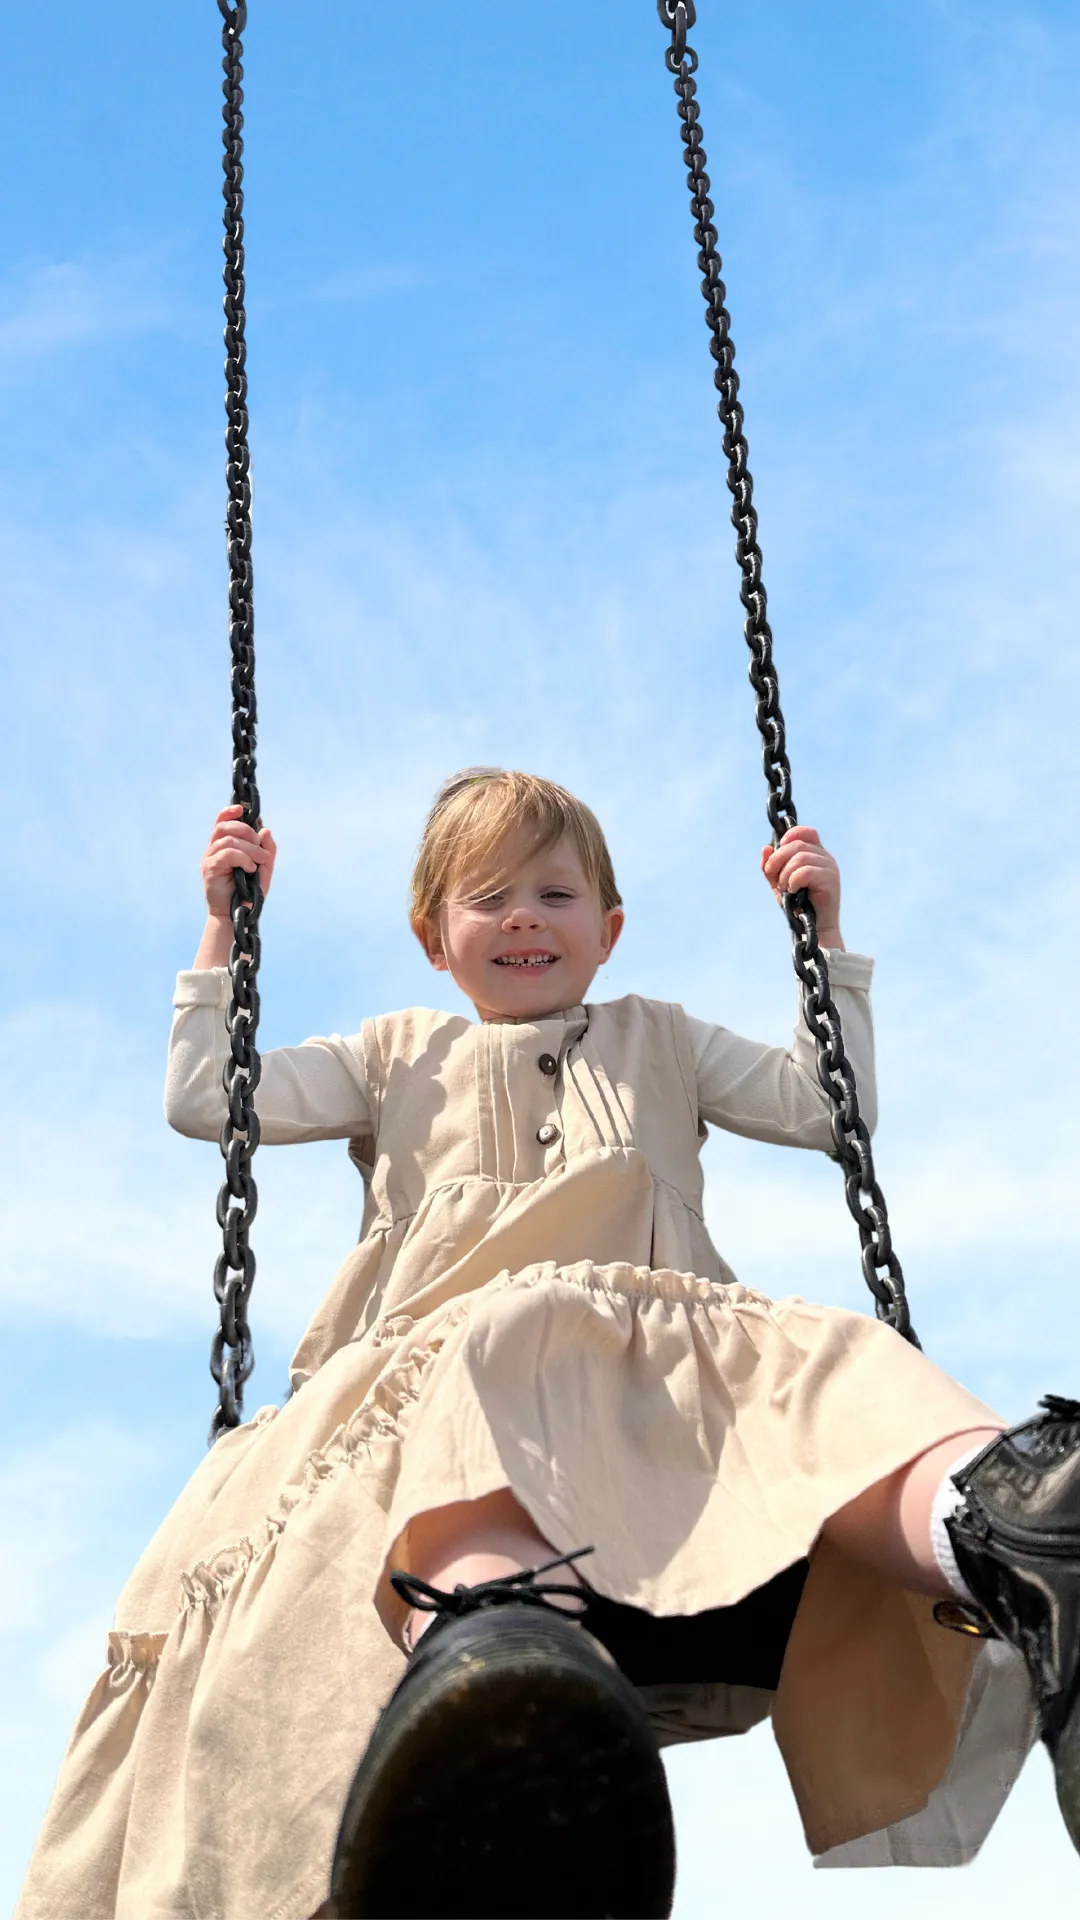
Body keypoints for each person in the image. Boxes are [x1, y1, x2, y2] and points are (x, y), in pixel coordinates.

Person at [16, 768, 1078, 1919]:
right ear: (435, 938)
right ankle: (501, 1669)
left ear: (609, 930)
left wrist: (823, 950)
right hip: (444, 1381)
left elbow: (829, 1109)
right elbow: (211, 1099)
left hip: (656, 1393)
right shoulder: (392, 1057)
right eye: (489, 896)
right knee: (498, 1356)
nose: (524, 915)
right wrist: (225, 930)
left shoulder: (661, 1039)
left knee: (830, 1376)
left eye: (556, 894)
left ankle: (1014, 1530)